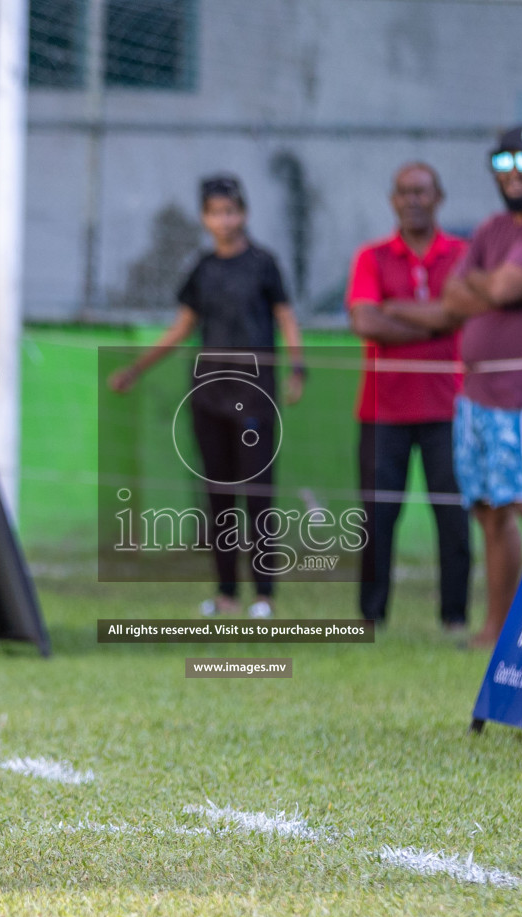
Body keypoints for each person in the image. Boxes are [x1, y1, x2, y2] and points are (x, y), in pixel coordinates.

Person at [109, 174, 305, 619]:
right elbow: (181, 328)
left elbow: (286, 318)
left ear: (245, 214)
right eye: (216, 212)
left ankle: (264, 595)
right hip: (208, 395)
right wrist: (136, 370)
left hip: (255, 396)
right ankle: (226, 593)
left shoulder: (264, 264)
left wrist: (297, 367)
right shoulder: (202, 269)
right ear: (205, 218)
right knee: (218, 494)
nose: (225, 220)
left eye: (232, 211)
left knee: (258, 493)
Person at [443, 124, 522, 647]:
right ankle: (496, 630)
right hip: (476, 394)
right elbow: (455, 296)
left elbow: (499, 284)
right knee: (490, 511)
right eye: (503, 163)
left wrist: (494, 285)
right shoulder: (492, 226)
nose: (514, 173)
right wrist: (494, 287)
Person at [346, 162, 470, 629]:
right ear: (392, 200)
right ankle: (370, 616)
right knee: (377, 516)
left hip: (449, 407)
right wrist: (436, 318)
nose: (413, 199)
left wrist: (397, 310)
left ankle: (455, 616)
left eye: (422, 191)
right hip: (382, 410)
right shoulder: (371, 256)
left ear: (438, 196)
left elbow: (466, 313)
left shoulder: (462, 254)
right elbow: (365, 322)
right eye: (403, 192)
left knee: (453, 517)